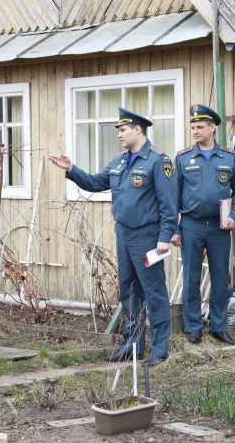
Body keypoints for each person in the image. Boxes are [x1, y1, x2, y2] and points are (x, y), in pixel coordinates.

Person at [48, 108, 177, 366]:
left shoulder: (157, 161)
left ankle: (160, 349)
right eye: (119, 130)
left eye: (123, 129)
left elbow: (168, 203)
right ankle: (132, 346)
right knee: (129, 291)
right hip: (124, 234)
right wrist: (71, 168)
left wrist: (165, 236)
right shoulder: (119, 162)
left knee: (154, 291)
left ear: (137, 129)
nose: (119, 134)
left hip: (148, 236)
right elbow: (96, 183)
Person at [170, 104, 235, 345]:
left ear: (213, 128)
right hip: (191, 225)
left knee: (220, 277)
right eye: (193, 127)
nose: (195, 131)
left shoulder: (228, 157)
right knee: (191, 277)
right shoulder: (183, 158)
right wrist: (173, 228)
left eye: (200, 127)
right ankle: (194, 327)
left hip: (219, 227)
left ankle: (219, 326)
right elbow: (172, 196)